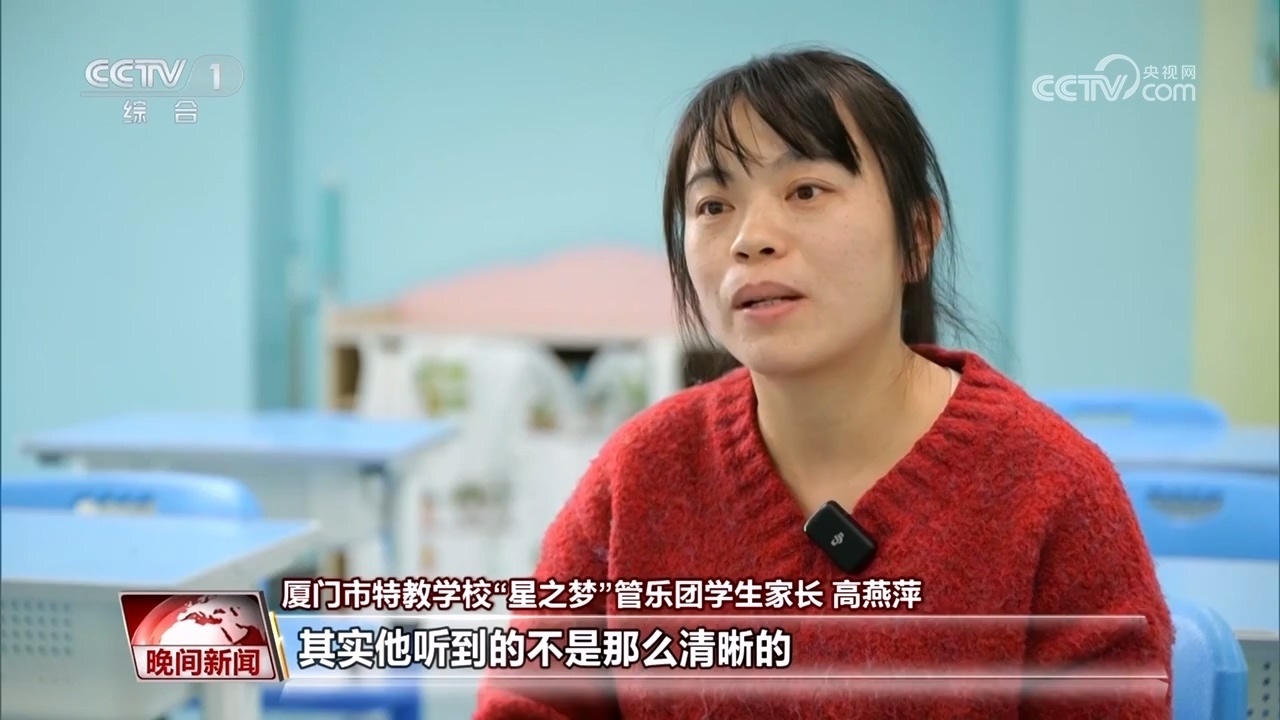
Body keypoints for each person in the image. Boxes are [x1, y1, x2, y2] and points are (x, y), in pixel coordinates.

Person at [473, 47, 1172, 719]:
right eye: (713, 205)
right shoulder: (642, 472)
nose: (751, 237)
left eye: (805, 191)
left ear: (917, 235)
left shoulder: (1053, 488)